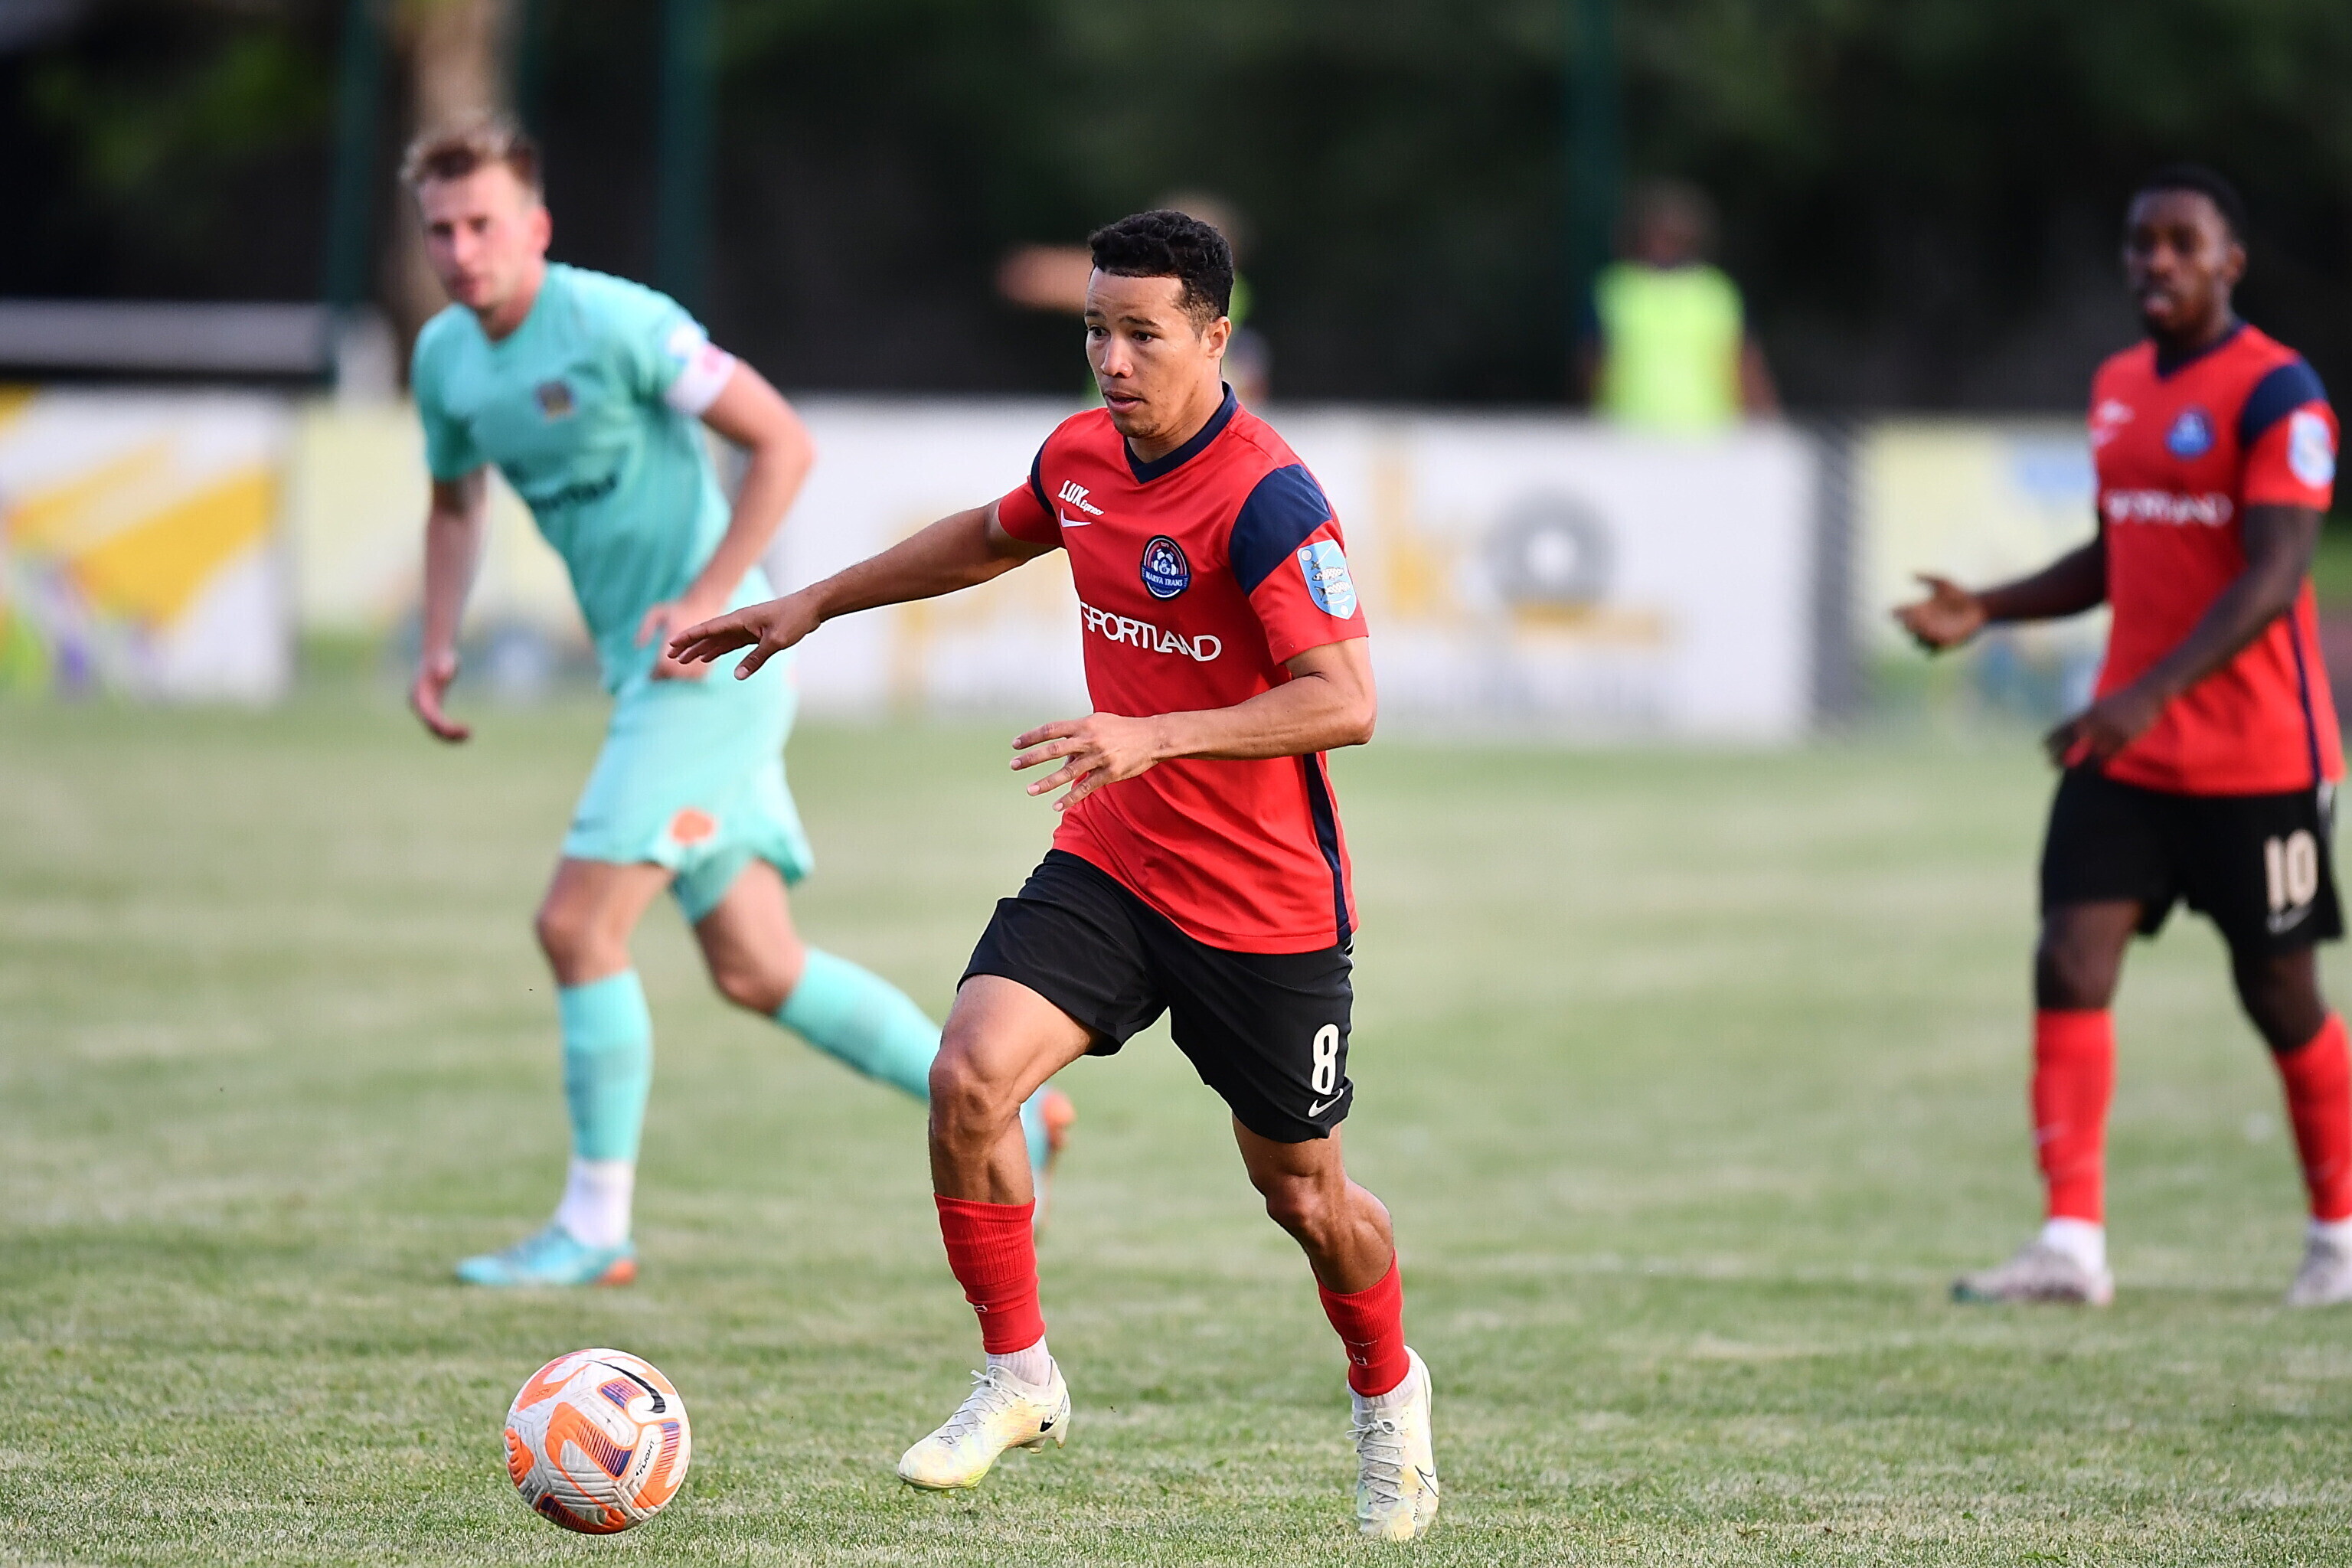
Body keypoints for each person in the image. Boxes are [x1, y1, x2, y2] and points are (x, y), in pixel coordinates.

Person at [671, 211, 1439, 1540]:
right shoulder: (1082, 454)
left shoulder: (1268, 497)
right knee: (969, 1076)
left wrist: (1154, 733)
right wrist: (813, 603)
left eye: (1142, 333)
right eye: (1095, 329)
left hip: (1263, 908)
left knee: (1305, 1197)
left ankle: (1388, 1390)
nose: (1112, 359)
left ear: (1215, 337)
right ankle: (1018, 1376)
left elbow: (1346, 699)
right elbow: (987, 536)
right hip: (1115, 859)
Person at [399, 115, 1070, 1289]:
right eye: (441, 231)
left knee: (575, 927)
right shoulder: (446, 359)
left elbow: (782, 443)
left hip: (708, 676)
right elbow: (456, 504)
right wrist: (439, 637)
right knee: (759, 967)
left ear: (536, 227)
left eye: (482, 225)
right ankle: (1015, 1110)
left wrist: (709, 598)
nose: (461, 251)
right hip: (647, 680)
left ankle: (595, 1225)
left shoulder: (618, 324)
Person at [1896, 165, 2349, 1308]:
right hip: (2128, 750)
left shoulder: (2281, 394)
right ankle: (2071, 1245)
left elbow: (2275, 573)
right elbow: (2119, 551)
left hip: (2259, 757)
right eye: (2143, 242)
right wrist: (1987, 607)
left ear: (2230, 262)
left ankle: (2339, 1237)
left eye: (2183, 242)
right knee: (2068, 958)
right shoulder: (2118, 387)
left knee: (2280, 994)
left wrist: (2146, 692)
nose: (2157, 260)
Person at [1575, 180, 1778, 430]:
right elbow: (1590, 368)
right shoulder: (1615, 288)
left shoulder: (1717, 292)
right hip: (1628, 433)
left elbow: (1746, 367)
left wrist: (1768, 428)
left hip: (1707, 435)